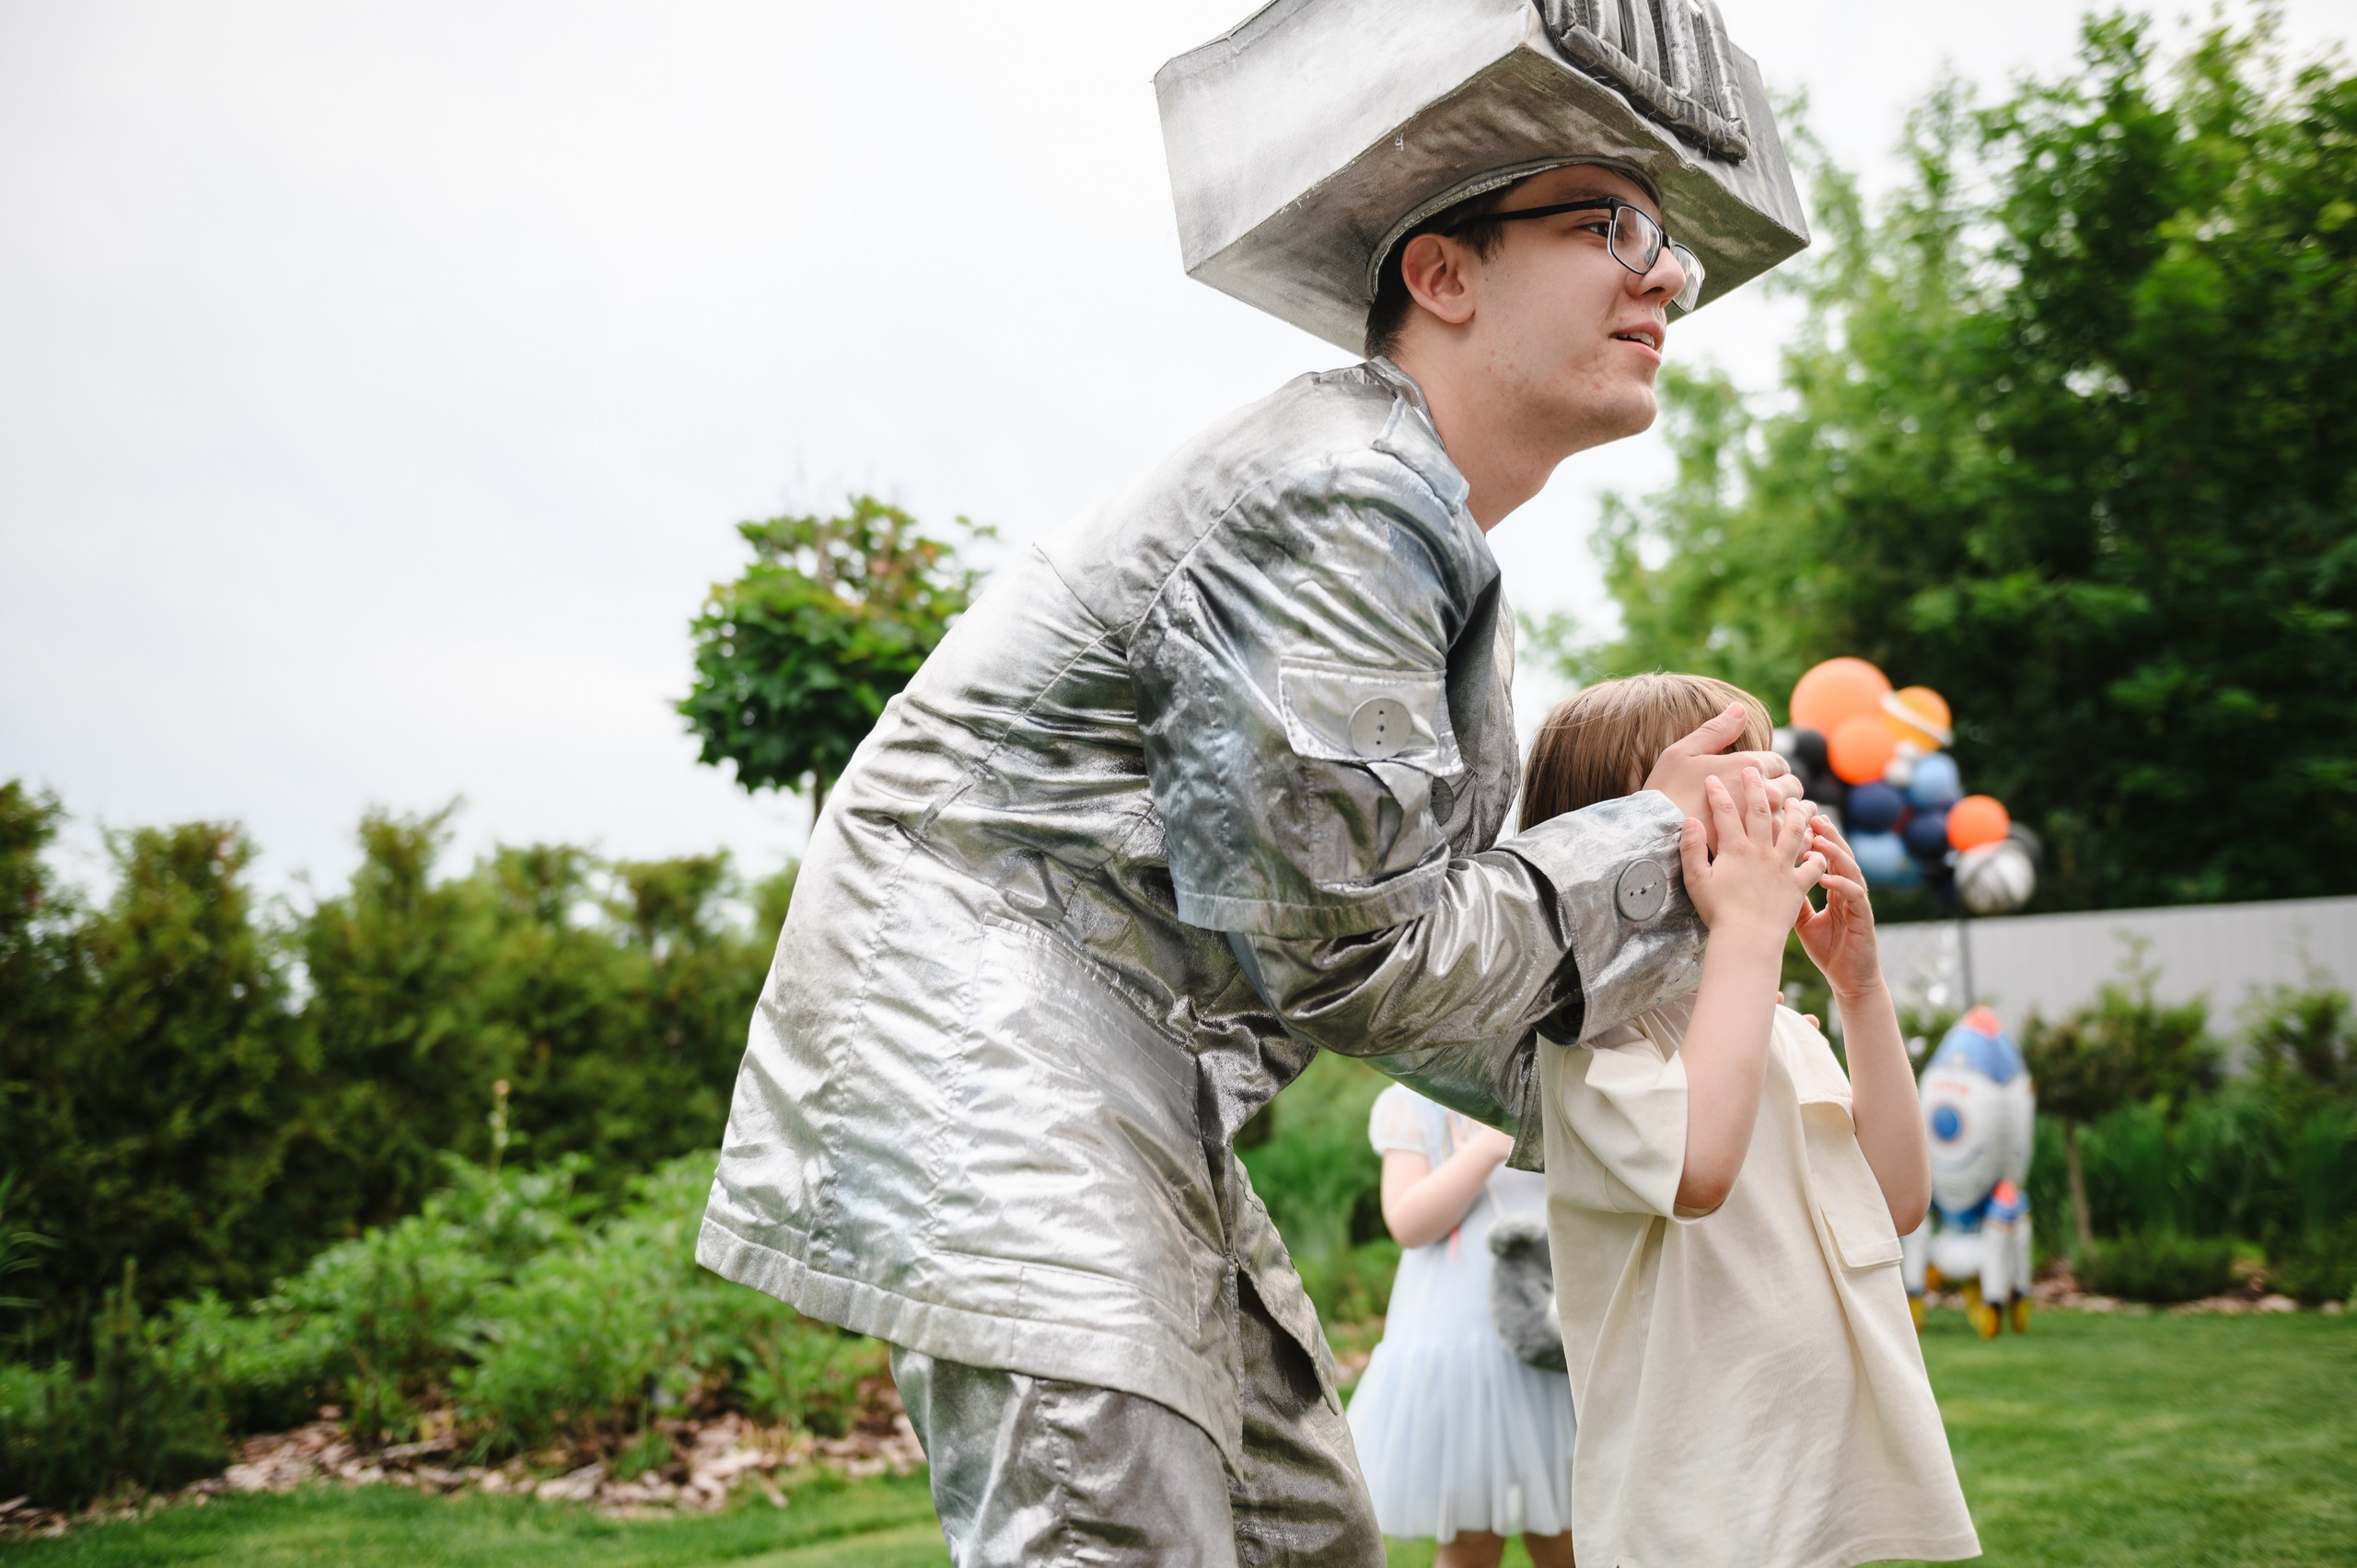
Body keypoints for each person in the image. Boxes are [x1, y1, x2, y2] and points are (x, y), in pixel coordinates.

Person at [698, 5, 1817, 1562]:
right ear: (1442, 272)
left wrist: (1671, 899)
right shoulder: (1343, 499)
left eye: (1668, 238)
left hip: (1135, 1075)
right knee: (1122, 1531)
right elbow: (1356, 946)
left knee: (1306, 1532)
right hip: (1009, 1050)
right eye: (1609, 223)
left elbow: (1399, 918)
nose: (1668, 273)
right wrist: (1661, 849)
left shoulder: (1406, 516)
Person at [1529, 674, 1981, 1568]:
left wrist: (1859, 988)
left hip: (1818, 1494)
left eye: (1760, 788)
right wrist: (1748, 930)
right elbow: (1700, 1168)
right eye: (1714, 798)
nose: (1760, 821)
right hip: (1694, 1513)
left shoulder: (1775, 1022)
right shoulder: (1589, 1039)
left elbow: (1892, 1198)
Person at [1347, 1085, 1576, 1567]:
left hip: (1555, 1334)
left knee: (1567, 1533)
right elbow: (1408, 1222)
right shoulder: (1413, 1103)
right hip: (1459, 1348)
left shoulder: (1544, 1082)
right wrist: (1490, 1144)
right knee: (1471, 1537)